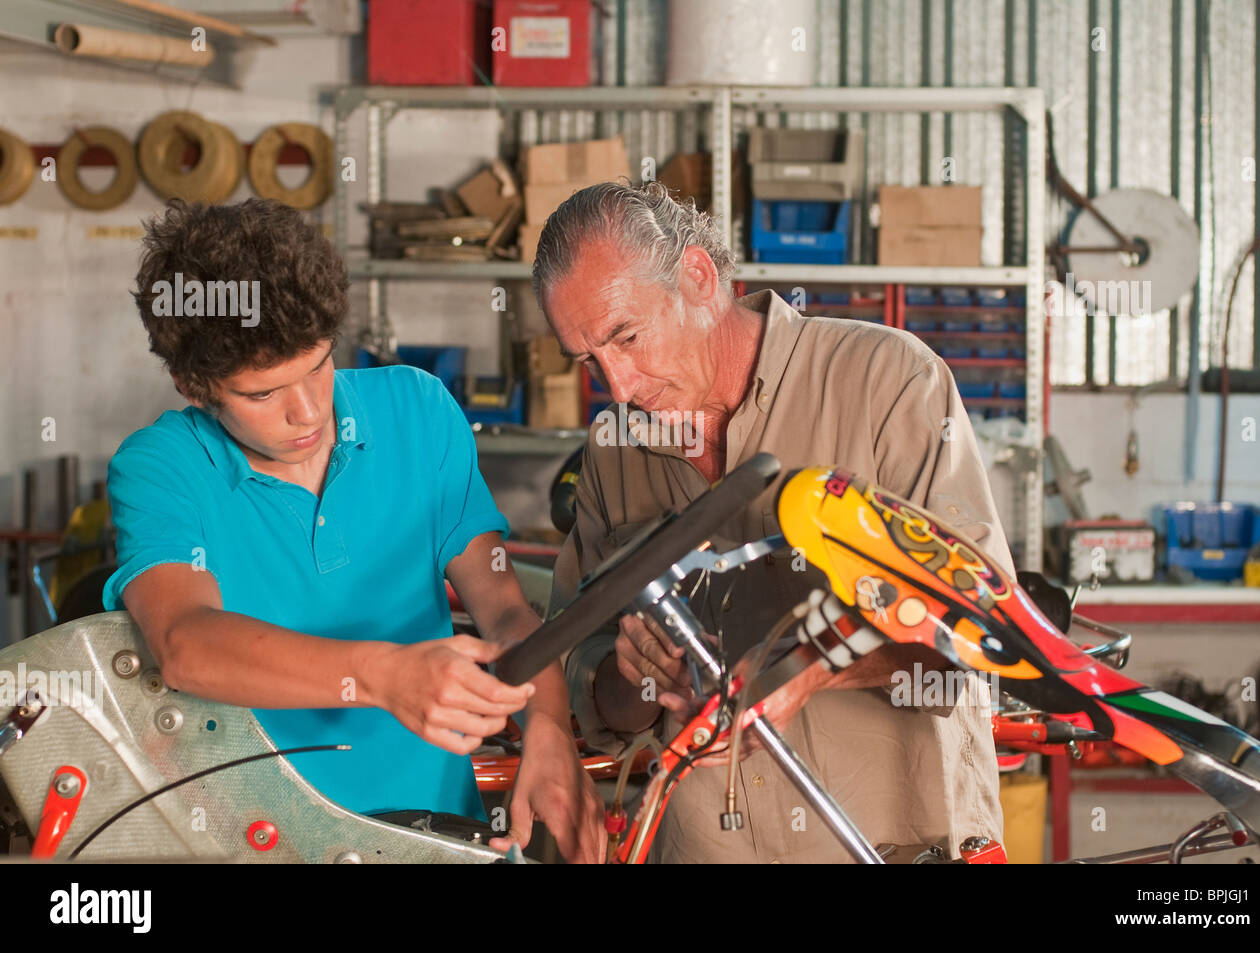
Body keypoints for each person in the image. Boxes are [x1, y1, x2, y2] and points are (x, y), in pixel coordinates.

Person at [102, 198, 604, 862]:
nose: (308, 410)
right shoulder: (160, 468)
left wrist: (547, 723)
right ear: (193, 384)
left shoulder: (418, 411)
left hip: (433, 835)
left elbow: (507, 611)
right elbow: (185, 642)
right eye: (263, 394)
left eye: (318, 363)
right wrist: (385, 676)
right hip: (251, 840)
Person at [535, 181, 1011, 863]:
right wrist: (630, 674)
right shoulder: (614, 451)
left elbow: (984, 624)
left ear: (698, 278)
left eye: (627, 337)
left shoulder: (889, 383)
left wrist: (811, 665)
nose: (619, 385)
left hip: (895, 845)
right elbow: (586, 677)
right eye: (588, 358)